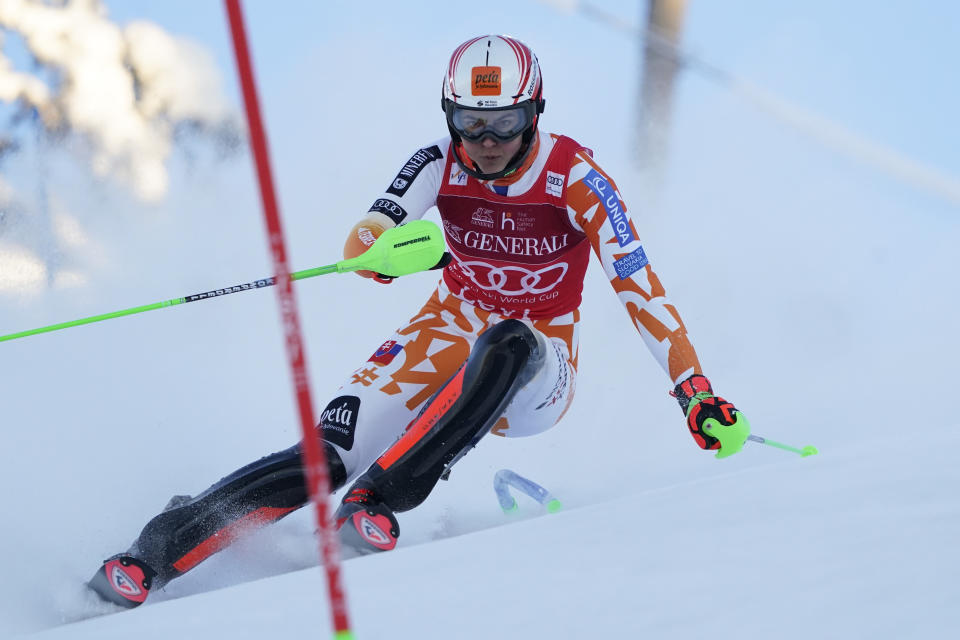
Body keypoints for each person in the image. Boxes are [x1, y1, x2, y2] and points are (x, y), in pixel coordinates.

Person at [88, 34, 750, 609]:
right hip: (444, 330)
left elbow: (641, 290)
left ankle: (378, 498)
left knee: (508, 339)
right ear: (450, 115)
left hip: (538, 368)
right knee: (326, 452)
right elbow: (369, 231)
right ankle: (146, 560)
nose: (487, 142)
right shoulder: (437, 160)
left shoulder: (576, 177)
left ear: (535, 113)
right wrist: (383, 253)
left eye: (507, 121)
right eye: (470, 121)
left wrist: (695, 393)